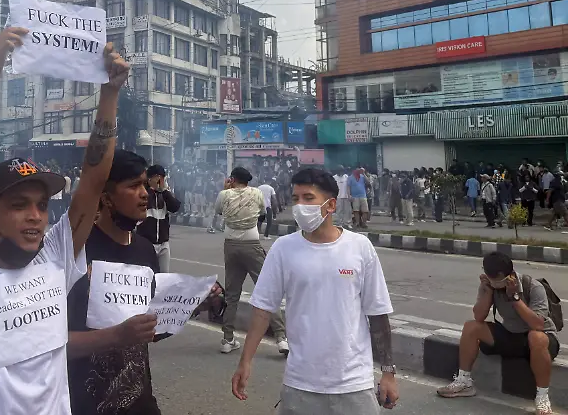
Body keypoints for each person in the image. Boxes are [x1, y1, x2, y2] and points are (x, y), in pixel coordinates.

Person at [0, 27, 129, 415]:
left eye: (41, 204)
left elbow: (95, 180)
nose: (36, 216)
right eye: (19, 205)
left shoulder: (53, 261)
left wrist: (110, 93)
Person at [231, 168, 398, 414]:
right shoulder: (283, 248)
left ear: (330, 205)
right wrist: (245, 362)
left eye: (308, 198)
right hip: (300, 383)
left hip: (354, 384)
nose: (300, 206)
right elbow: (263, 309)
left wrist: (388, 373)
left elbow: (378, 313)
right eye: (295, 199)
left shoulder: (359, 248)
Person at [65, 150, 162, 414]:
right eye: (133, 186)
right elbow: (51, 345)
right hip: (83, 404)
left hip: (140, 402)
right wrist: (115, 336)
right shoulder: (75, 253)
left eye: (145, 184)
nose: (145, 193)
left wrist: (192, 305)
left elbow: (149, 328)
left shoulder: (144, 250)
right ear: (106, 198)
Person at [437, 252, 559, 415]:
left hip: (541, 339)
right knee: (471, 327)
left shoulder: (533, 286)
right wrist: (487, 292)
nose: (495, 283)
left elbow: (537, 324)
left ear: (509, 275)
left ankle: (542, 398)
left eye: (498, 279)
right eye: (491, 278)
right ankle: (464, 381)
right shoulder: (489, 286)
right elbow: (479, 316)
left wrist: (514, 298)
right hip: (511, 334)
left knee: (535, 336)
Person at [215, 167, 288, 355]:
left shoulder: (224, 194)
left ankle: (227, 339)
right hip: (251, 244)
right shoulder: (256, 193)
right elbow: (262, 212)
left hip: (231, 245)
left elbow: (219, 212)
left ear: (232, 179)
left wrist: (225, 189)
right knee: (267, 290)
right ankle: (281, 338)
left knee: (232, 294)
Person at [137, 164, 180, 273]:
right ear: (150, 178)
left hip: (163, 242)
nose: (160, 181)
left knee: (164, 277)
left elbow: (175, 207)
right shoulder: (143, 191)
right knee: (147, 274)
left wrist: (164, 191)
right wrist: (152, 189)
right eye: (157, 177)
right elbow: (143, 203)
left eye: (162, 178)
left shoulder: (165, 193)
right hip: (146, 241)